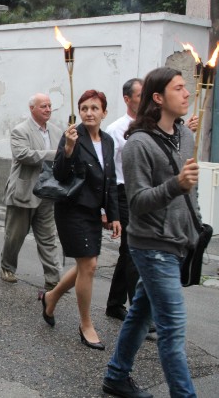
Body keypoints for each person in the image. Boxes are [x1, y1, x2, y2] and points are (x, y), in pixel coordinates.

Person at [103, 67, 200, 398]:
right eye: (178, 88)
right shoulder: (138, 143)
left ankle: (116, 376)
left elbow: (190, 193)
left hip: (178, 241)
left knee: (141, 313)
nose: (187, 93)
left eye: (186, 87)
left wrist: (195, 226)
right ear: (158, 98)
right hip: (152, 246)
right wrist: (176, 185)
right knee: (172, 329)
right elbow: (138, 202)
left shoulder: (186, 136)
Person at [40, 90, 120, 351]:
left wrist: (113, 214)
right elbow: (60, 174)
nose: (89, 113)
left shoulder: (107, 141)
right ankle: (86, 324)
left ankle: (51, 297)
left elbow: (110, 180)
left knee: (86, 265)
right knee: (90, 264)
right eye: (84, 108)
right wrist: (68, 149)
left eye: (94, 108)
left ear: (104, 112)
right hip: (72, 210)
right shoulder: (72, 136)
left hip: (93, 212)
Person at [0, 93, 62, 290]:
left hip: (48, 192)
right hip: (24, 192)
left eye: (50, 106)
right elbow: (24, 155)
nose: (48, 109)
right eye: (43, 106)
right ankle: (7, 267)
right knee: (15, 236)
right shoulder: (20, 130)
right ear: (32, 108)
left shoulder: (56, 132)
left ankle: (53, 278)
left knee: (48, 237)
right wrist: (55, 154)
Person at [105, 78, 143, 322]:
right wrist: (107, 209)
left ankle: (114, 303)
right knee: (132, 251)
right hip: (122, 193)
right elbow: (107, 170)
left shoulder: (151, 125)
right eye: (140, 95)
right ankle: (139, 314)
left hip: (143, 194)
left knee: (129, 251)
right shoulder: (116, 129)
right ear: (127, 99)